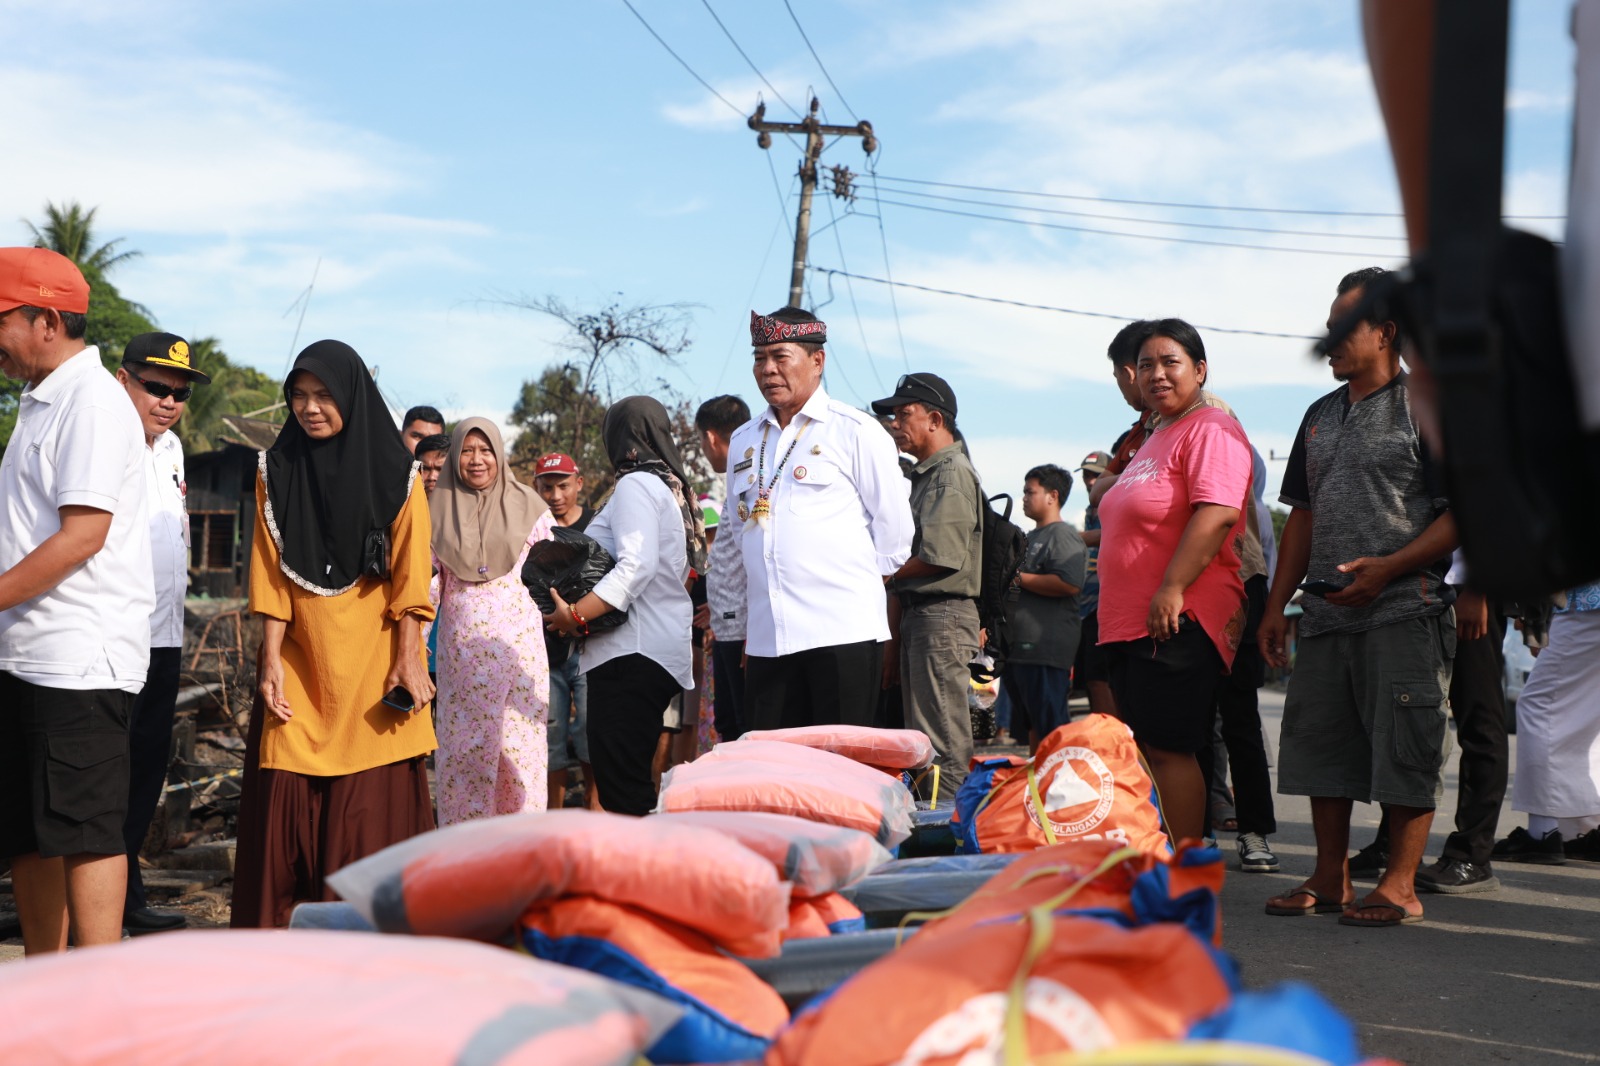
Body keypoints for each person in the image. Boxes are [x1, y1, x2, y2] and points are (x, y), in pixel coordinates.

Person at [1260, 267, 1458, 928]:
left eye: (1344, 327)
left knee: (1407, 747)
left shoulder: (1427, 404)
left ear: (1386, 332)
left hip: (1404, 610)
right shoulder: (1318, 416)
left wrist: (1389, 568)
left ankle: (1399, 885)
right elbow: (1302, 518)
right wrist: (1275, 607)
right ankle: (1329, 877)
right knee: (1321, 747)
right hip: (1323, 615)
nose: (1330, 341)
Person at [231, 340, 437, 929]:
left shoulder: (399, 474)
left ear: (352, 396)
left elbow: (411, 576)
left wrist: (409, 658)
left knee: (366, 821)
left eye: (324, 395)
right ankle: (281, 951)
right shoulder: (275, 471)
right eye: (299, 396)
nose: (310, 408)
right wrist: (270, 660)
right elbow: (270, 575)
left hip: (374, 663)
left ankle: (369, 954)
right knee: (285, 809)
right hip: (301, 664)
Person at [0, 248, 154, 954]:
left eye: (1, 322)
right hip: (26, 650)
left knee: (85, 830)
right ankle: (45, 981)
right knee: (29, 831)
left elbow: (83, 536)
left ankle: (99, 992)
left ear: (48, 321)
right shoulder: (39, 401)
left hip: (79, 659)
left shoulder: (90, 403)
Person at [1096, 319, 1251, 846]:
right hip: (1129, 622)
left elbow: (1218, 513)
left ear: (1200, 370)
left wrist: (1171, 588)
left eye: (1170, 362)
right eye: (1146, 365)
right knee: (1146, 749)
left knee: (1170, 749)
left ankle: (1187, 872)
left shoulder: (1211, 428)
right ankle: (1161, 859)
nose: (1156, 374)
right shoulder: (1156, 435)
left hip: (1175, 617)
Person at [728, 308, 913, 731]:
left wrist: (849, 587)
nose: (767, 369)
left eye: (780, 356)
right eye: (759, 358)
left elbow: (896, 533)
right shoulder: (743, 439)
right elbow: (743, 530)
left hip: (841, 633)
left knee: (841, 761)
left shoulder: (856, 431)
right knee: (772, 762)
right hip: (769, 638)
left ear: (817, 361)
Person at [543, 397, 699, 817]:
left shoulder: (636, 485)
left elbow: (637, 565)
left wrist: (575, 616)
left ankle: (647, 861)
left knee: (623, 793)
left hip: (632, 654)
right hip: (643, 651)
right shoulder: (664, 486)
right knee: (626, 784)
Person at [114, 331, 212, 936]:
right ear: (123, 379)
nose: (169, 402)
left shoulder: (172, 448)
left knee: (146, 771)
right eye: (157, 387)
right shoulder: (105, 438)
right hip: (113, 634)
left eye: (180, 393)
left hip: (164, 634)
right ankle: (96, 902)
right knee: (106, 774)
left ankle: (125, 896)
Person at [430, 418, 555, 825]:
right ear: (454, 456)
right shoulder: (436, 512)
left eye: (485, 450)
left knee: (520, 752)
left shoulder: (532, 510)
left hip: (519, 658)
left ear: (499, 454)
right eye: (467, 450)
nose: (476, 459)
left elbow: (556, 576)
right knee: (464, 754)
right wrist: (410, 652)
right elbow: (424, 591)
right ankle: (464, 855)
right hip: (462, 662)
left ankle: (521, 852)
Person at [873, 373, 983, 802]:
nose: (896, 424)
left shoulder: (949, 473)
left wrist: (881, 573)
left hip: (942, 614)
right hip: (925, 615)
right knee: (924, 735)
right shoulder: (929, 474)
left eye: (905, 414)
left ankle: (951, 826)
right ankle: (935, 819)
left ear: (935, 420)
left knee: (942, 739)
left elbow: (941, 555)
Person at [1489, 580, 1600, 865]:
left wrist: (1532, 605)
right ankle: (1586, 828)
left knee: (1539, 707)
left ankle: (1543, 834)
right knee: (1588, 712)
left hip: (1587, 601)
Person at [1002, 464, 1086, 751]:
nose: (1024, 498)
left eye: (1030, 492)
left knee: (1052, 728)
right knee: (1032, 727)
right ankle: (1039, 777)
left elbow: (1069, 583)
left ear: (1053, 496)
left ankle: (1059, 776)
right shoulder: (1030, 537)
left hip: (1044, 648)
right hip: (1020, 649)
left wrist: (1017, 577)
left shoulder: (1062, 535)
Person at [534, 451, 599, 810]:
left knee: (591, 729)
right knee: (552, 734)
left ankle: (595, 814)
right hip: (545, 651)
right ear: (536, 488)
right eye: (547, 488)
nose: (556, 495)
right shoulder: (532, 528)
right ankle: (553, 819)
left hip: (592, 646)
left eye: (563, 486)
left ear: (579, 483)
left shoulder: (597, 524)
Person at [696, 394, 753, 741]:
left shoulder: (747, 477)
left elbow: (754, 553)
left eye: (702, 441)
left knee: (742, 729)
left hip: (742, 631)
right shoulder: (737, 475)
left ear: (710, 437)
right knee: (729, 723)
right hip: (729, 623)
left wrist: (752, 629)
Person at [1073, 451, 1117, 719]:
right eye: (1087, 475)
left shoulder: (1115, 499)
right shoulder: (1091, 509)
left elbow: (1108, 535)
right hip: (1087, 606)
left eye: (1097, 475)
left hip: (1107, 602)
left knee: (1101, 679)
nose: (1091, 481)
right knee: (1092, 679)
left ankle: (1113, 737)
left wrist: (1071, 537)